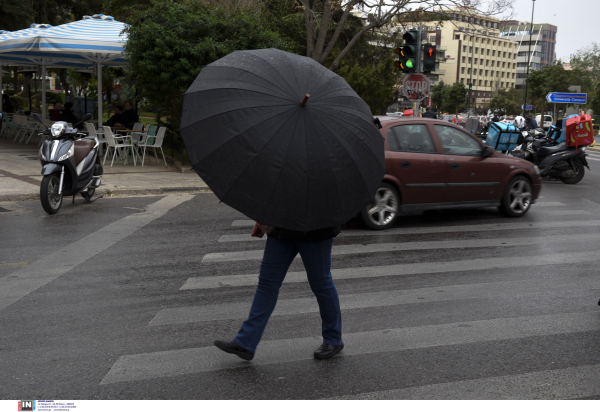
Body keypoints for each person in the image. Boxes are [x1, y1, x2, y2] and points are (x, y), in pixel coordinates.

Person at [214, 224, 344, 361]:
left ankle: (333, 339)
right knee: (266, 284)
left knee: (321, 284)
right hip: (281, 230)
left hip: (315, 232)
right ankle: (245, 342)